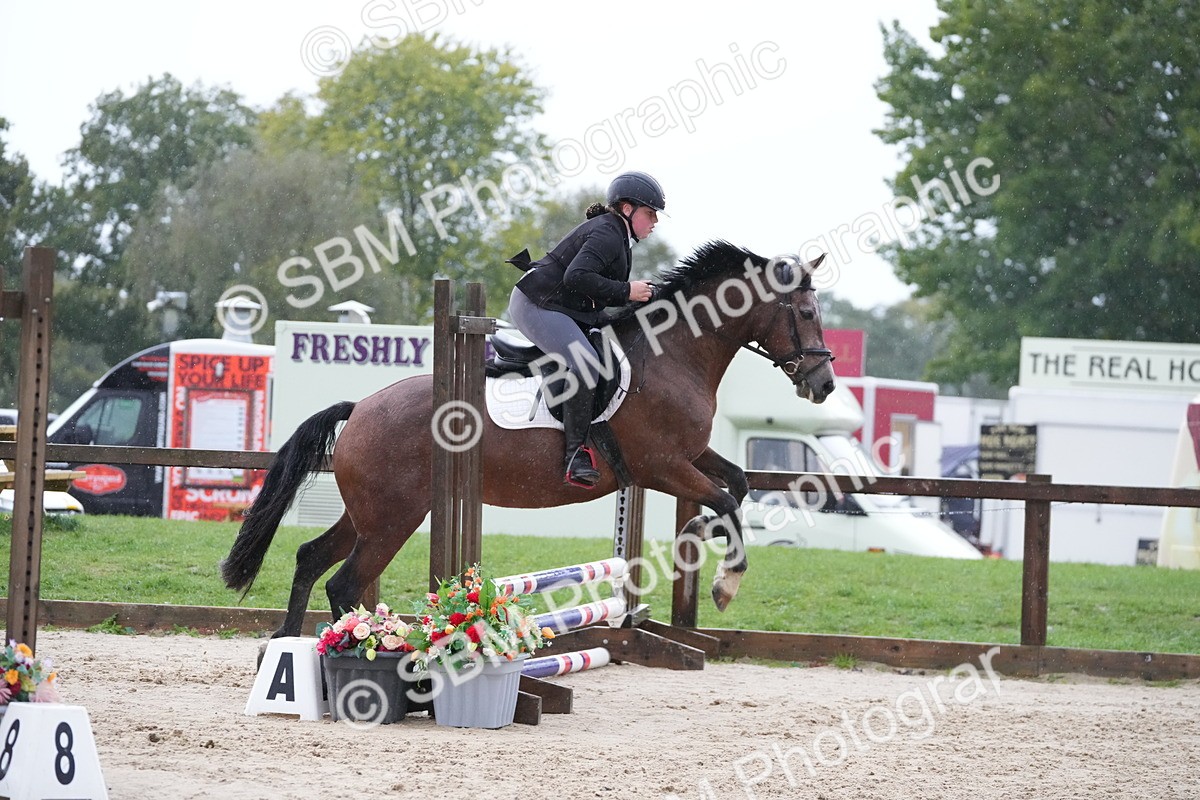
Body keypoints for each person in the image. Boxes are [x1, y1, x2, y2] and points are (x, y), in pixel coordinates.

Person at [506, 170, 665, 488]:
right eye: (650, 213)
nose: (655, 222)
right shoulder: (608, 233)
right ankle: (575, 455)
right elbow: (575, 278)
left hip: (563, 308)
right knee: (585, 363)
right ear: (626, 209)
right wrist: (626, 291)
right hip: (536, 304)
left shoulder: (619, 236)